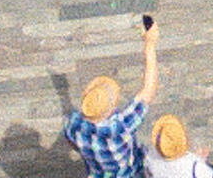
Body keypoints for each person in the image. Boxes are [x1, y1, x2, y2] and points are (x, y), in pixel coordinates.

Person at [68, 19, 160, 178]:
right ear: (110, 109)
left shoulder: (73, 124)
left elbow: (73, 143)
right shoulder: (120, 127)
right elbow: (148, 91)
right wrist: (149, 44)